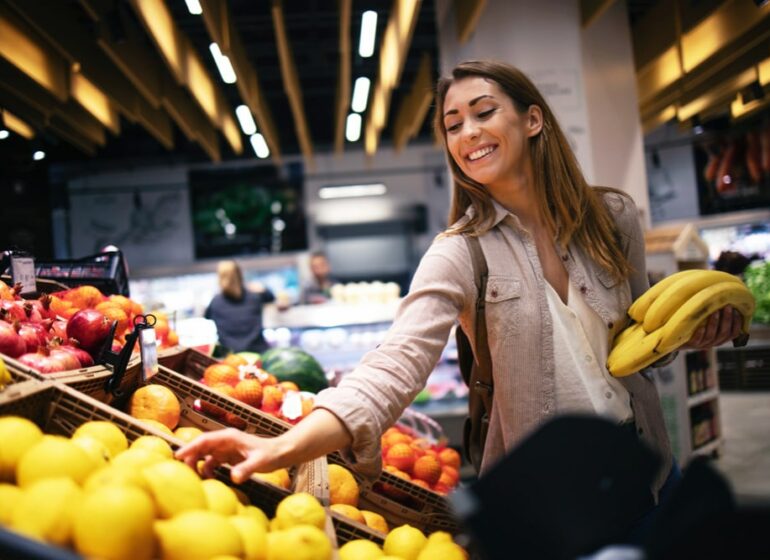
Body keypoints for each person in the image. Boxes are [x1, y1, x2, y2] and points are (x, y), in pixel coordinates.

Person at [179, 61, 742, 532]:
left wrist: (694, 334)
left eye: (483, 112)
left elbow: (642, 341)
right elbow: (396, 364)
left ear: (533, 119)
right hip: (548, 502)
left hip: (648, 472)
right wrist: (282, 445)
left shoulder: (613, 218)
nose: (467, 131)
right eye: (452, 124)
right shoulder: (460, 253)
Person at [204, 260, 275, 354]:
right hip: (258, 352)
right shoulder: (255, 296)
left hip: (229, 356)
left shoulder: (216, 302)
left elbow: (207, 316)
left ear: (220, 278)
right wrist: (262, 288)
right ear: (240, 275)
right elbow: (271, 297)